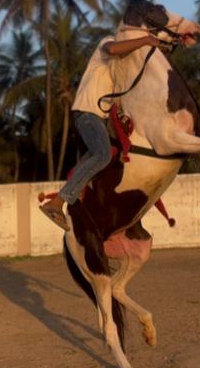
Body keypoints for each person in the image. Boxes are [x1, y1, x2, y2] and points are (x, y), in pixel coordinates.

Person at [39, 31, 163, 231]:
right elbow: (114, 48)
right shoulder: (106, 44)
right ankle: (58, 202)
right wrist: (146, 40)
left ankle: (74, 194)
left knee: (98, 157)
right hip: (87, 113)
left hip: (97, 118)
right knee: (103, 154)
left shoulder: (115, 75)